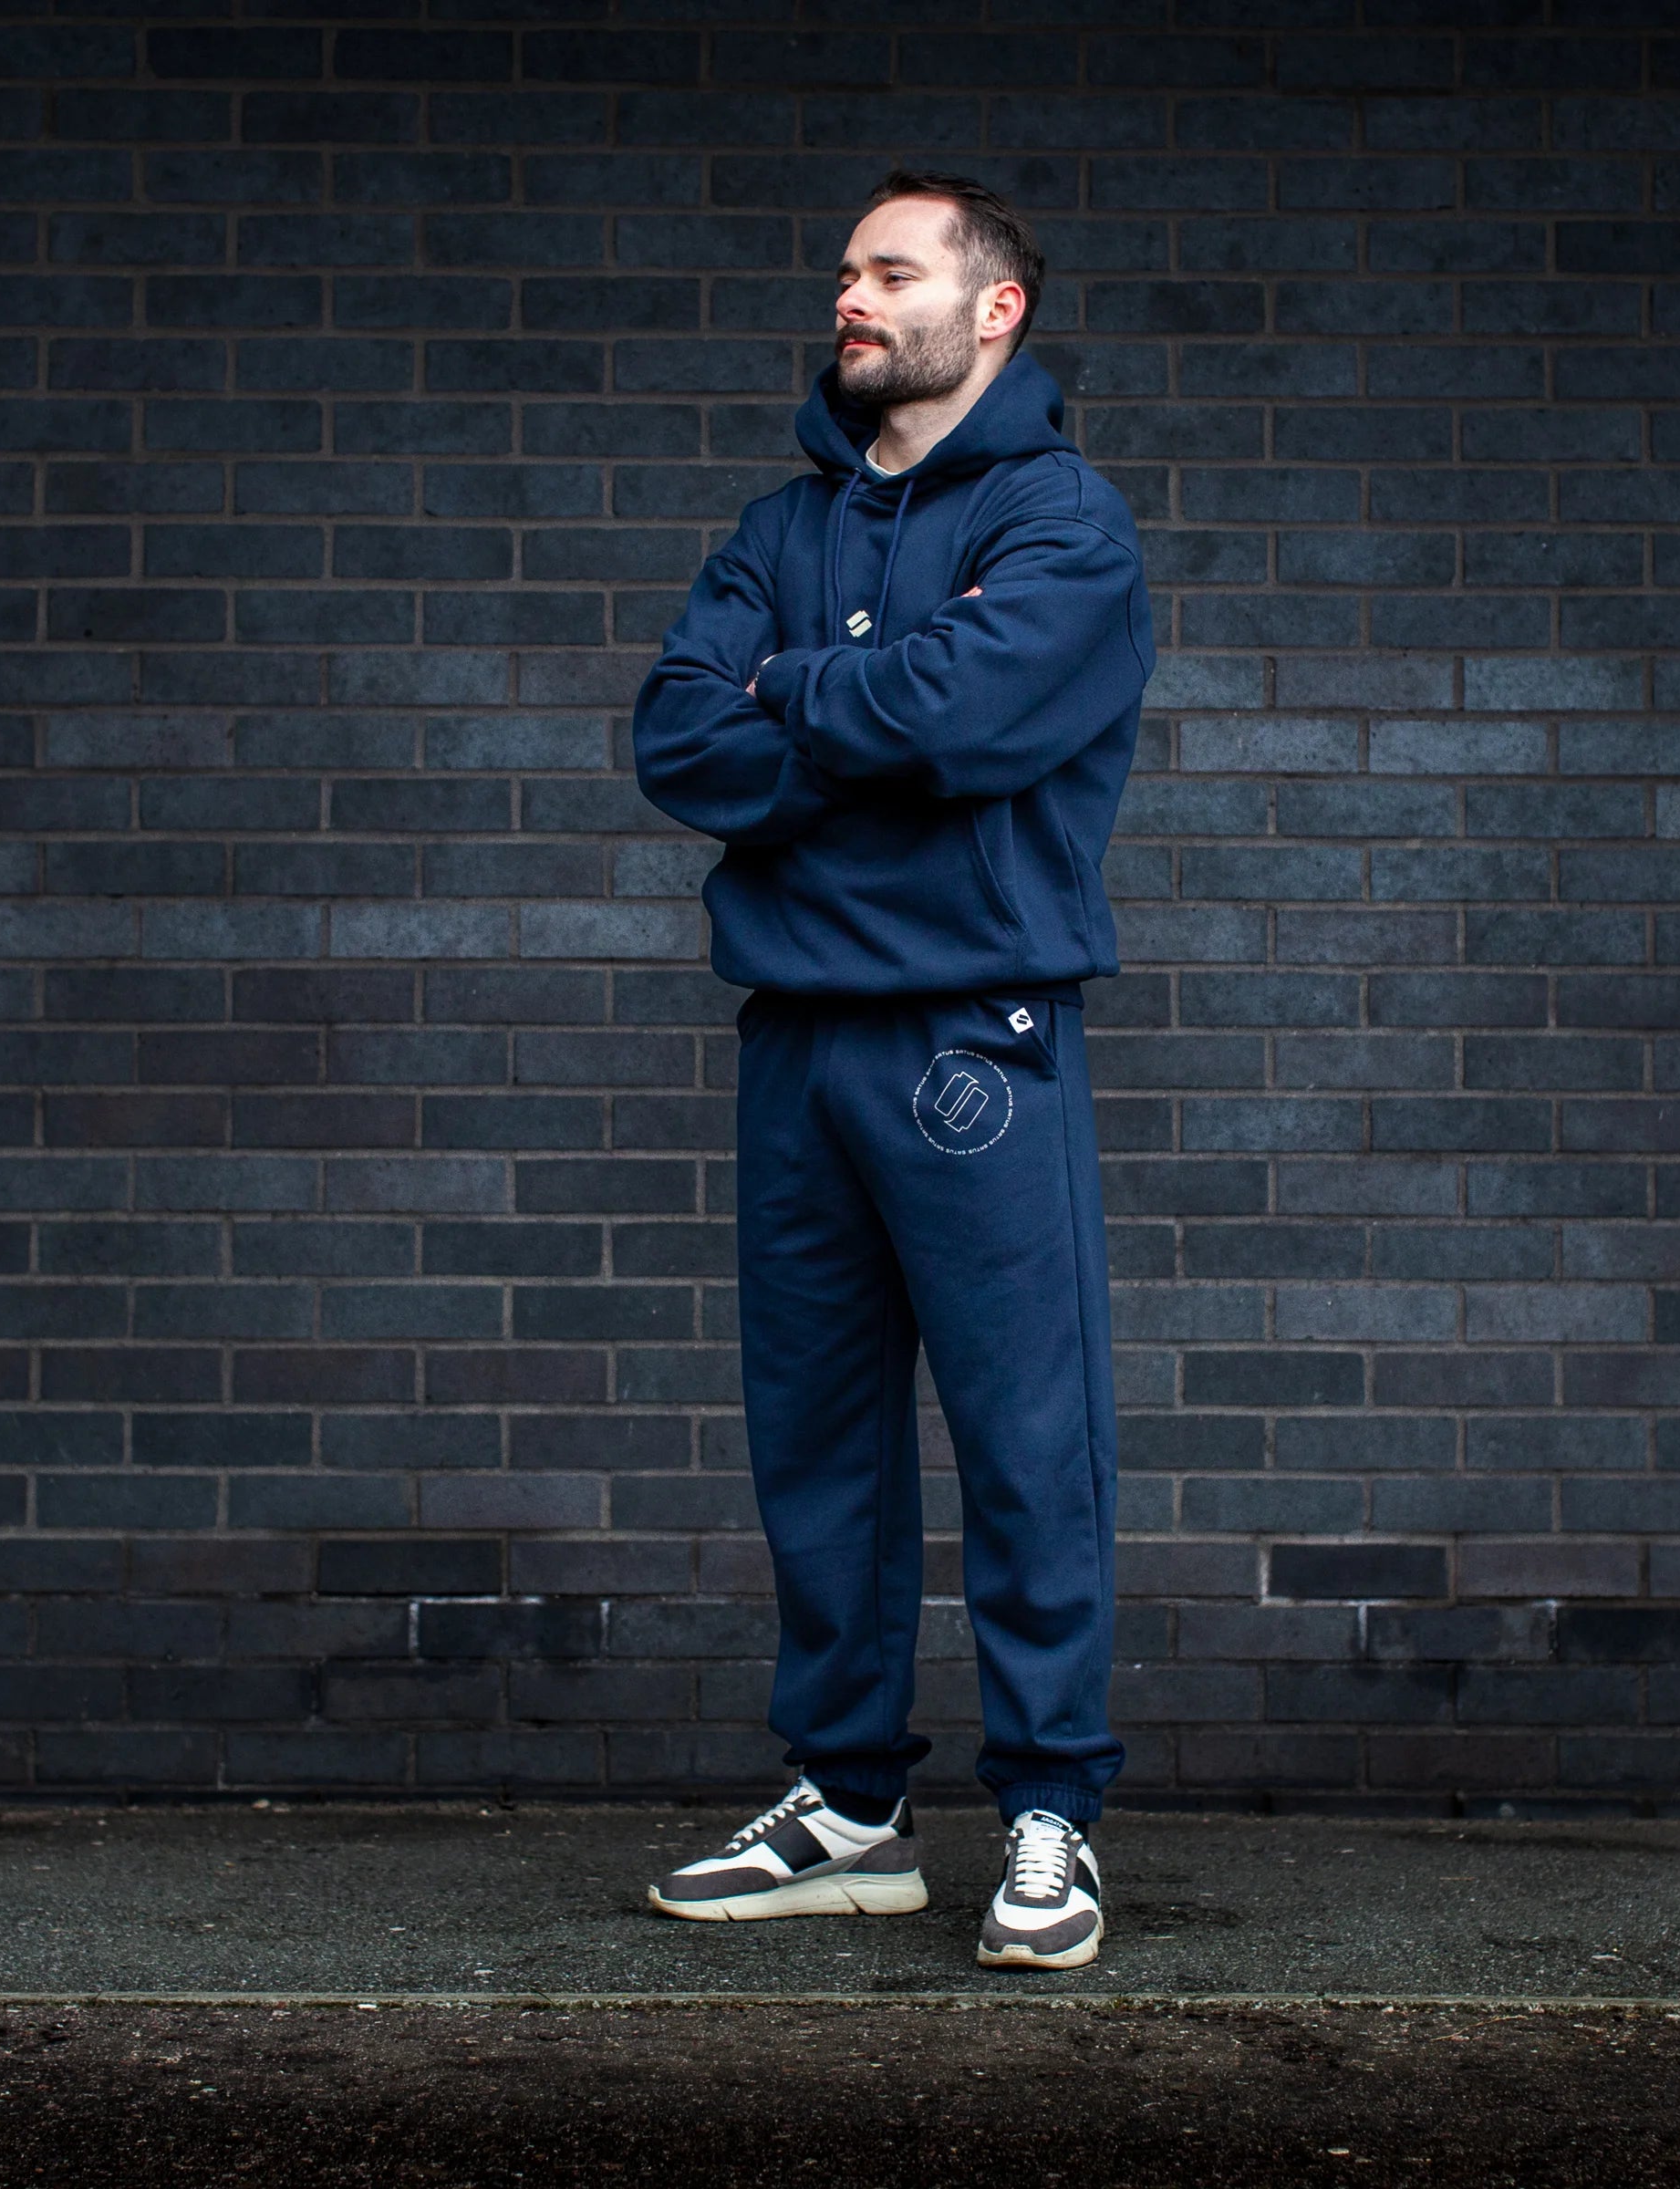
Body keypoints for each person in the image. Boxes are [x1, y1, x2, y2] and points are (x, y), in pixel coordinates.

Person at [631, 169, 1155, 1971]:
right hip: (798, 1045)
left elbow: (969, 714)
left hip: (973, 1043)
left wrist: (795, 703)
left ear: (990, 309)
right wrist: (850, 712)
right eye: (844, 267)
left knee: (1027, 1441)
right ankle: (850, 1806)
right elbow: (675, 738)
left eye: (890, 270)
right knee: (819, 1449)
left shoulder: (1063, 525)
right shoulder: (778, 529)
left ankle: (1049, 1819)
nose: (849, 294)